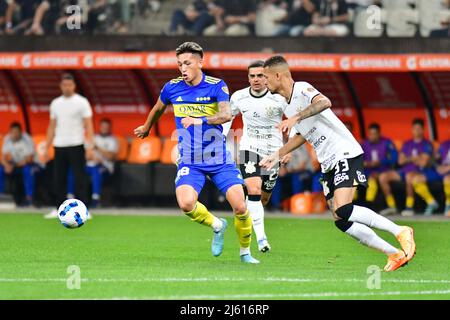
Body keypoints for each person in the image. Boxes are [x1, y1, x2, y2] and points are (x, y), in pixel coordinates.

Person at [259, 55, 416, 272]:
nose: (263, 81)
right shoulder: (286, 104)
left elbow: (324, 102)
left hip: (344, 152)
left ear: (278, 75)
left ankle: (400, 230)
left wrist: (297, 117)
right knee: (340, 219)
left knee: (344, 209)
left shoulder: (302, 89)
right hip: (327, 162)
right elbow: (301, 136)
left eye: (266, 76)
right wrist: (277, 154)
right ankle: (394, 253)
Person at [134, 42, 258, 264]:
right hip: (190, 161)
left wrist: (198, 120)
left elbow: (226, 115)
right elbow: (158, 108)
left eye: (187, 63)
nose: (183, 68)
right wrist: (146, 127)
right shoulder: (172, 87)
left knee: (240, 206)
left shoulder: (216, 85)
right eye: (180, 64)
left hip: (218, 159)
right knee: (186, 204)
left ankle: (245, 253)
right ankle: (217, 225)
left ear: (200, 62)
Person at [222, 60, 291, 253]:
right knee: (253, 188)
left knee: (263, 197)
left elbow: (295, 122)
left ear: (267, 76)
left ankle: (249, 221)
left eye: (260, 75)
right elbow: (227, 119)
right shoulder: (239, 96)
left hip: (274, 152)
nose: (256, 80)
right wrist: (219, 138)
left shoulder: (279, 97)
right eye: (252, 76)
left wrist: (288, 149)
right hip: (249, 148)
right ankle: (261, 239)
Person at [43, 73, 94, 219]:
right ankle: (58, 208)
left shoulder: (82, 102)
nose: (67, 87)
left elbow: (89, 125)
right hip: (59, 144)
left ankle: (83, 209)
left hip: (77, 144)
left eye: (69, 85)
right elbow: (51, 127)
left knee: (79, 178)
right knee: (58, 178)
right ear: (60, 86)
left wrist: (90, 146)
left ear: (74, 86)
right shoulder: (55, 103)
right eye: (64, 85)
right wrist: (46, 147)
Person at [378, 119, 439, 217]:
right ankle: (392, 206)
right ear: (412, 130)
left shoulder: (426, 144)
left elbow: (423, 163)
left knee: (409, 176)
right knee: (383, 177)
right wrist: (414, 158)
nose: (417, 131)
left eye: (419, 129)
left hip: (419, 171)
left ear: (423, 130)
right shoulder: (407, 144)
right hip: (405, 170)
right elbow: (400, 161)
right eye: (415, 128)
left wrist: (409, 158)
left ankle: (409, 207)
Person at [67, 118, 118, 207]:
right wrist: (90, 156)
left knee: (96, 169)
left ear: (109, 127)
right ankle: (70, 197)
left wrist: (98, 149)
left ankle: (96, 199)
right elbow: (85, 154)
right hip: (89, 165)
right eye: (103, 126)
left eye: (106, 127)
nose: (104, 128)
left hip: (105, 167)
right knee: (73, 169)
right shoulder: (94, 138)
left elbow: (111, 157)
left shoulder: (112, 140)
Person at [1, 122, 37, 206]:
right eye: (13, 132)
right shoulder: (7, 138)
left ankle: (29, 198)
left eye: (17, 132)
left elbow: (29, 158)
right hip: (14, 164)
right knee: (1, 169)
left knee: (27, 170)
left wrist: (13, 166)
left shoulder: (27, 139)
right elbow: (3, 157)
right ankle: (1, 196)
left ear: (21, 132)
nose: (15, 135)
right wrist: (6, 165)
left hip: (28, 164)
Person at [360, 123, 398, 204]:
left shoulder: (387, 143)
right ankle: (368, 204)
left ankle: (390, 205)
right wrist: (365, 163)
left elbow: (394, 158)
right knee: (371, 179)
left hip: (384, 170)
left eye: (374, 134)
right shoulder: (364, 144)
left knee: (376, 178)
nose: (372, 136)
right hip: (368, 172)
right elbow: (359, 160)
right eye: (370, 134)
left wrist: (381, 162)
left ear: (379, 134)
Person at [436, 139, 450, 216]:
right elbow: (436, 159)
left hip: (447, 171)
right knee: (447, 179)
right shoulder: (444, 144)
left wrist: (448, 168)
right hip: (444, 173)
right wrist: (438, 167)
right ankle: (448, 205)